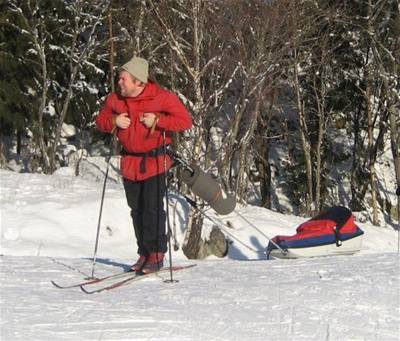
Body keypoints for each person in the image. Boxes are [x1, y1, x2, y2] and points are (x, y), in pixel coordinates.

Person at [96, 56, 192, 273]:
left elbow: (185, 121)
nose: (119, 83)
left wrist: (159, 121)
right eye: (119, 79)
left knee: (152, 209)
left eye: (123, 79)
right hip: (129, 162)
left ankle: (157, 254)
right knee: (136, 210)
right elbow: (100, 121)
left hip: (155, 162)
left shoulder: (162, 97)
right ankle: (144, 254)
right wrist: (113, 122)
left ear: (139, 81)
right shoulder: (115, 100)